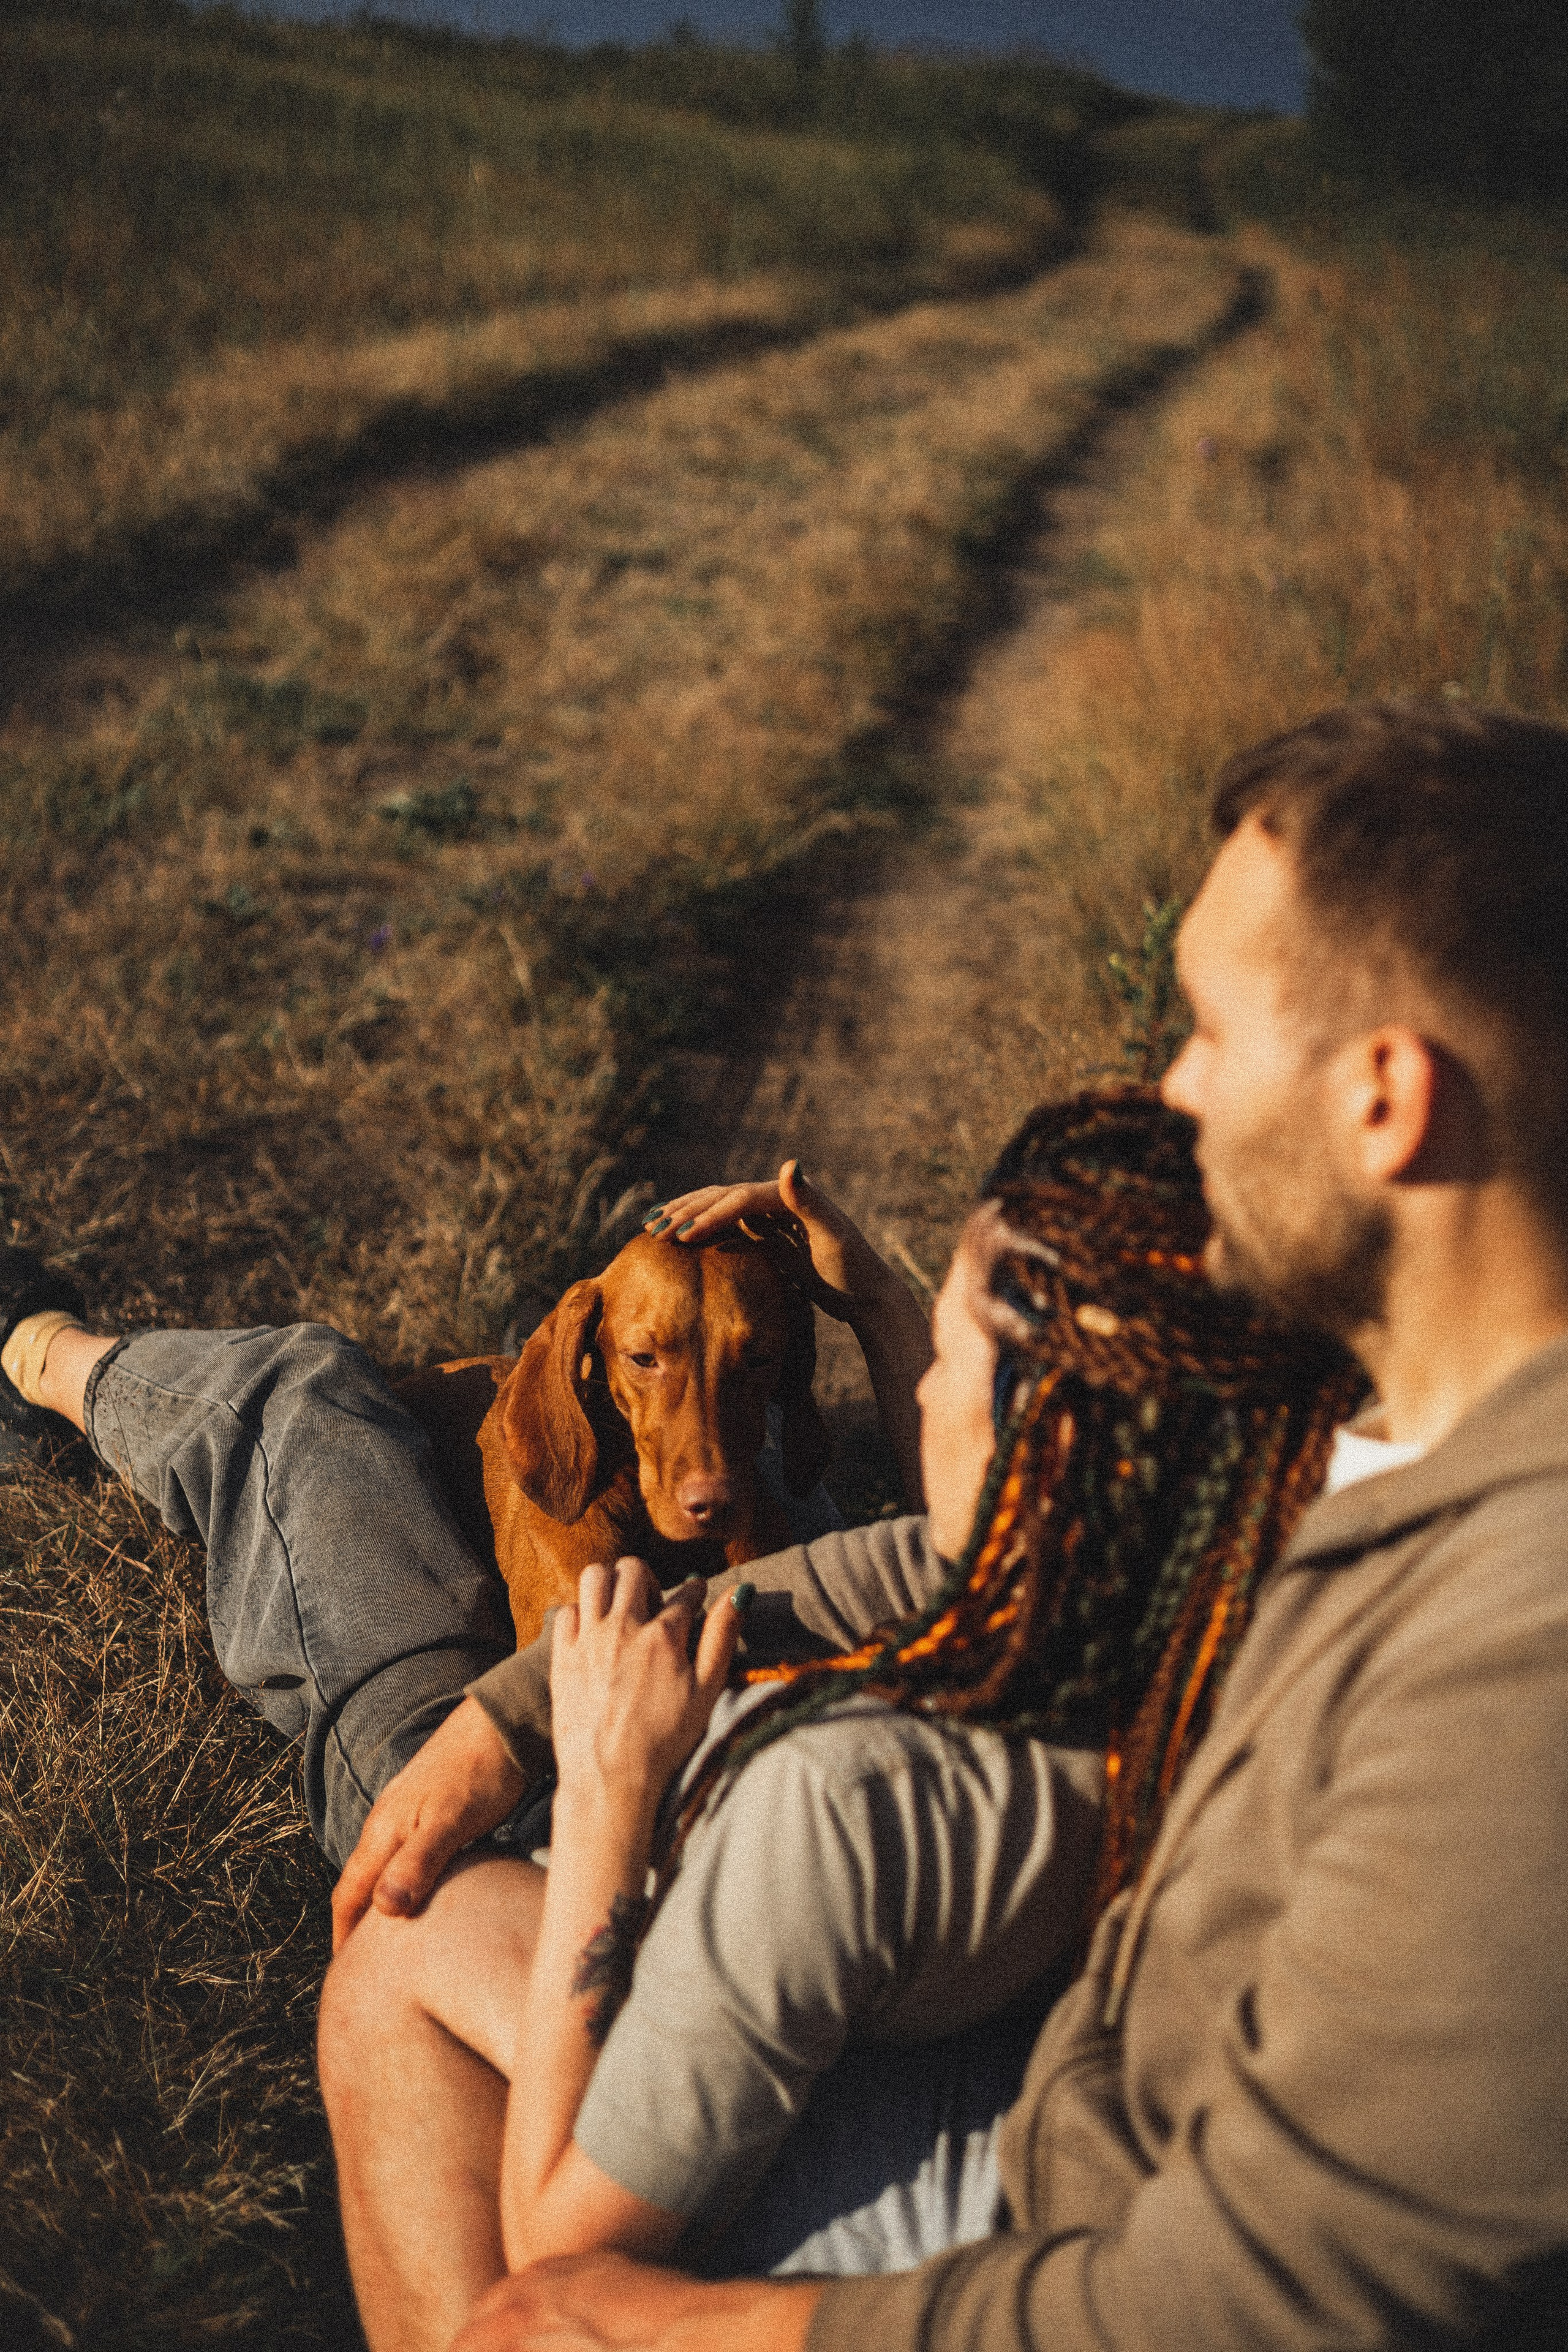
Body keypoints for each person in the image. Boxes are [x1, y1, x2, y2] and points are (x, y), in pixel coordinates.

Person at [437, 695, 1568, 2352]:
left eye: (1209, 1032)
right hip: (1083, 2079)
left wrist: (666, 2324)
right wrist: (518, 1709)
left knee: (469, 2113)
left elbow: (1262, 2298)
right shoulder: (1373, 1400)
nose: (1173, 1089)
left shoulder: (1521, 1654)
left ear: (1386, 1100)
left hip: (1103, 2207)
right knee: (439, 1927)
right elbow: (964, 1542)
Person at [321, 1090, 1357, 2346]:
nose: (912, 1402)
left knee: (401, 1954)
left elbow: (562, 2249)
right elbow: (916, 1556)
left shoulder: (839, 1804)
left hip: (1004, 2199)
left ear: (1038, 1447)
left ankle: (189, 1385)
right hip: (1016, 2050)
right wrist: (510, 1717)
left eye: (947, 1366)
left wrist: (598, 1795)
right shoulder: (1223, 1591)